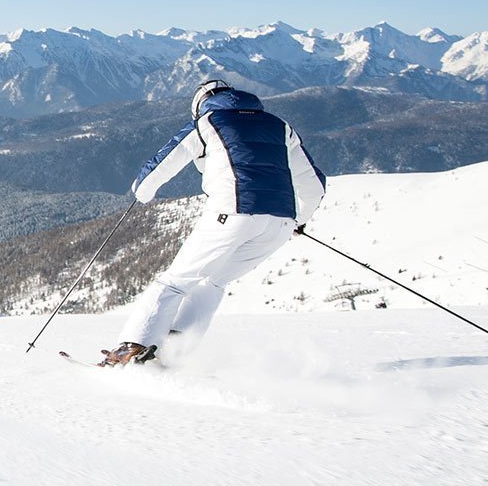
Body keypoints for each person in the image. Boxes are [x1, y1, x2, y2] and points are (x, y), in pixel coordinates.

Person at [101, 80, 326, 367]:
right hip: (279, 223)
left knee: (174, 283)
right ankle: (173, 353)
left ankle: (134, 347)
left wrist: (142, 192)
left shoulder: (207, 123)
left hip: (232, 213)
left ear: (199, 104)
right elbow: (314, 185)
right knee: (213, 281)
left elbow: (163, 162)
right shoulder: (280, 126)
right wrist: (299, 221)